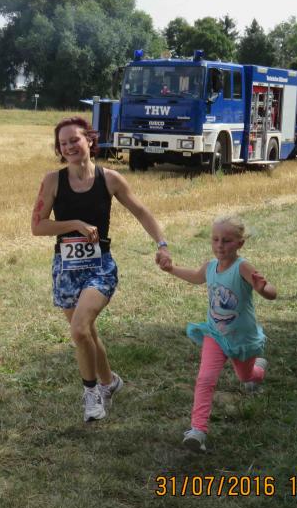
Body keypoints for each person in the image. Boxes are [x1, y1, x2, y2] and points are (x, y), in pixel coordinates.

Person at [31, 116, 171, 422]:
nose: (69, 147)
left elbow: (142, 212)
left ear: (90, 140)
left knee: (79, 329)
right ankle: (110, 381)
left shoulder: (110, 179)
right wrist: (76, 224)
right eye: (63, 143)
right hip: (66, 267)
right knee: (87, 333)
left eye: (74, 140)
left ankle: (92, 394)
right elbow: (37, 226)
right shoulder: (53, 181)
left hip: (100, 266)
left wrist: (162, 244)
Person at [160, 215, 277, 452]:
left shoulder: (242, 267)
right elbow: (196, 277)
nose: (220, 245)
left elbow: (271, 292)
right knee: (205, 379)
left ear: (240, 243)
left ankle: (257, 370)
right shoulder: (210, 267)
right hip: (215, 335)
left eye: (227, 240)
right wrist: (170, 268)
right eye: (215, 239)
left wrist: (264, 288)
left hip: (241, 340)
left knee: (246, 377)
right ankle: (198, 430)